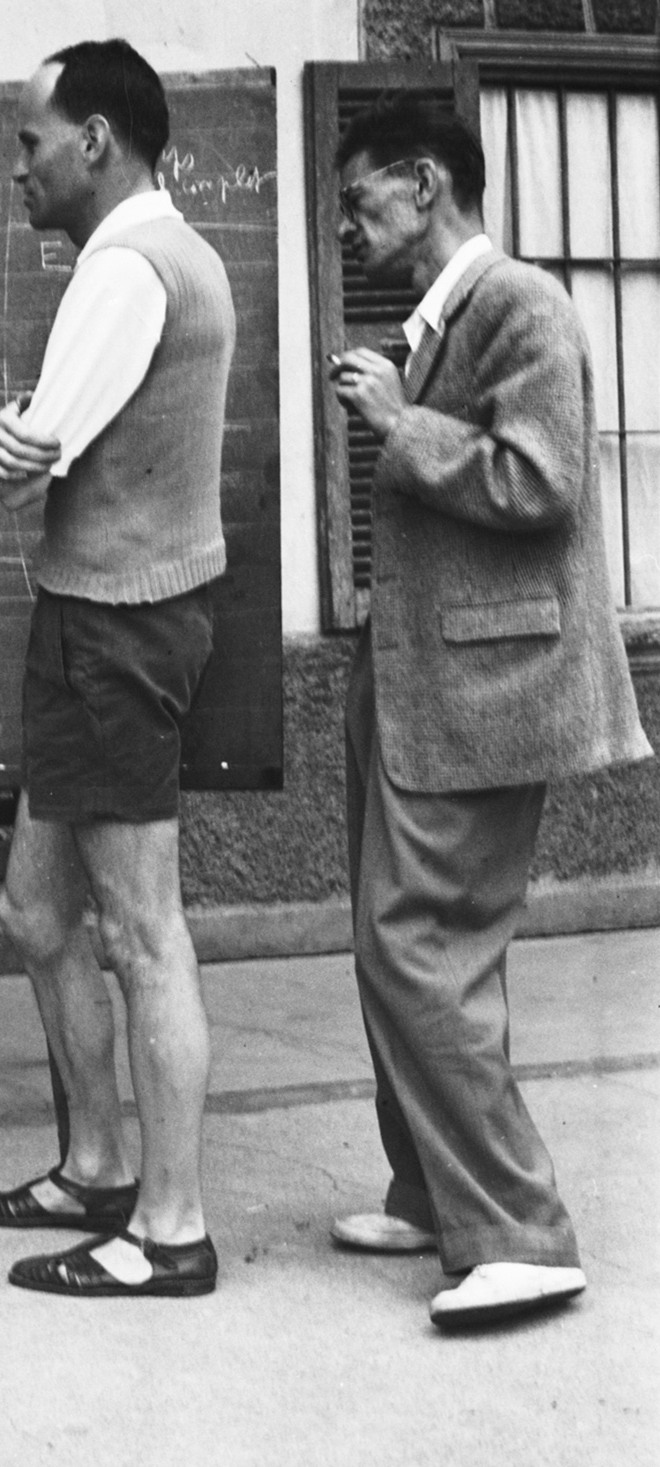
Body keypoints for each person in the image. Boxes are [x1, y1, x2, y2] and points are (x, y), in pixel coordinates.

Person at [327, 97, 649, 1329]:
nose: (351, 229)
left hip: (482, 690)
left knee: (425, 948)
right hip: (421, 678)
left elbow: (540, 481)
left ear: (424, 184)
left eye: (360, 201)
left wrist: (398, 425)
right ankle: (427, 1191)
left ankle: (518, 1229)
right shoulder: (445, 319)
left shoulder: (519, 305)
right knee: (389, 941)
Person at [0, 39, 234, 1299]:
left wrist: (9, 433)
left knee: (141, 935)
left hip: (118, 628)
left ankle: (169, 1229)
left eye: (29, 142)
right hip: (98, 619)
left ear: (93, 142)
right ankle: (95, 1165)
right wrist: (27, 433)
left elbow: (29, 448)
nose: (15, 166)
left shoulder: (125, 267)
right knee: (34, 910)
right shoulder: (146, 256)